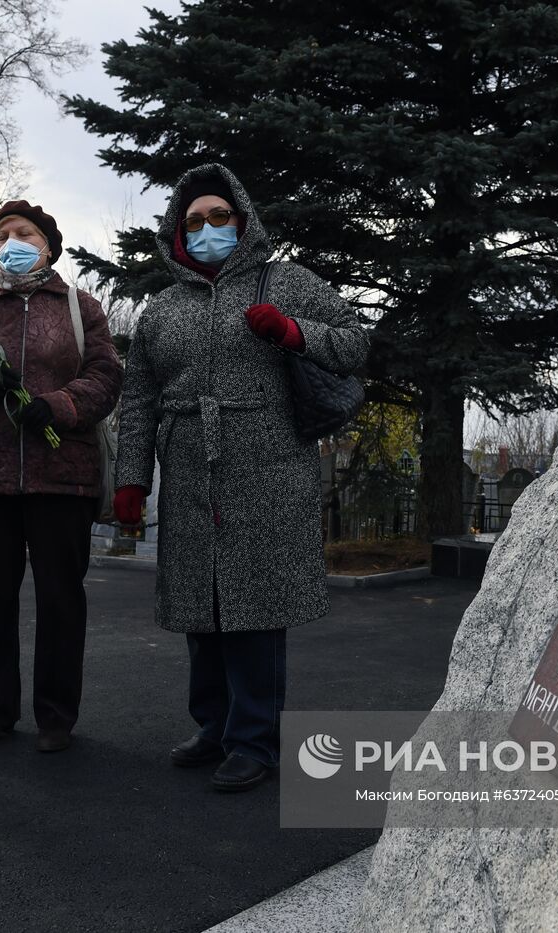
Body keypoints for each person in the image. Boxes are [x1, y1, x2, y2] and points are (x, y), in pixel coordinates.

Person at [112, 164, 369, 792]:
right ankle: (213, 725)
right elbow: (141, 395)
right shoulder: (162, 309)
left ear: (242, 219)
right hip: (190, 471)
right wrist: (131, 478)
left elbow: (356, 343)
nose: (206, 230)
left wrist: (291, 329)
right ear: (178, 233)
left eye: (218, 217)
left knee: (254, 609)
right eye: (193, 221)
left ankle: (254, 740)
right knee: (201, 609)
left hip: (269, 466)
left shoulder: (286, 281)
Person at [0, 201, 123, 752]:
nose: (12, 240)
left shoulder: (81, 308)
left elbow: (107, 374)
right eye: (2, 234)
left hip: (63, 473)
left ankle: (57, 716)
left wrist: (58, 406)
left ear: (49, 244)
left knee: (61, 597)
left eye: (25, 233)